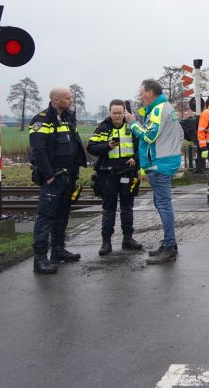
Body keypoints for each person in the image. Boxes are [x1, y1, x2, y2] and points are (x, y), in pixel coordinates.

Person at [29, 87, 88, 274]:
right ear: (56, 100)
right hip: (53, 177)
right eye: (68, 98)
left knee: (62, 215)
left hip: (68, 176)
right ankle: (39, 259)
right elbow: (38, 151)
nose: (71, 100)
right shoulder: (42, 120)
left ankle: (58, 250)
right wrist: (49, 175)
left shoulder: (68, 118)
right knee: (46, 216)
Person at [124, 79, 183, 264]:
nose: (140, 97)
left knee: (164, 205)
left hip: (160, 164)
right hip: (166, 161)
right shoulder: (167, 107)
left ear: (150, 93)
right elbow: (180, 133)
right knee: (162, 203)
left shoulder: (158, 110)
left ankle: (169, 246)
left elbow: (149, 135)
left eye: (141, 93)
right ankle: (168, 243)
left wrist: (133, 124)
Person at [87, 99, 143, 256]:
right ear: (109, 113)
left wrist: (135, 159)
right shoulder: (103, 128)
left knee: (127, 208)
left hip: (127, 172)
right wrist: (107, 146)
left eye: (120, 113)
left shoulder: (132, 127)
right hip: (107, 174)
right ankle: (106, 242)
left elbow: (143, 146)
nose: (117, 116)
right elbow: (91, 147)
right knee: (108, 209)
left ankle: (128, 239)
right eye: (114, 113)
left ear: (125, 112)